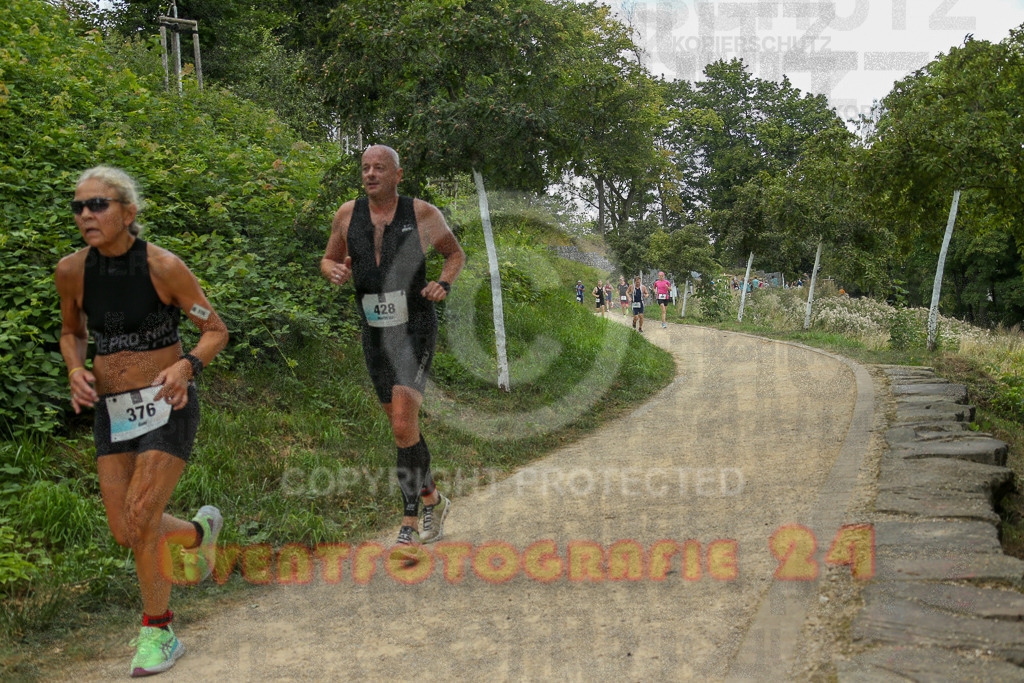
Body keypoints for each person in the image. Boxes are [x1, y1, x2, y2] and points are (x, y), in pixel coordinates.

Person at [55, 166, 229, 676]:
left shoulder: (164, 267)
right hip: (113, 412)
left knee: (141, 514)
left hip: (167, 402)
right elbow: (71, 332)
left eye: (98, 204)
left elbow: (214, 329)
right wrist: (74, 367)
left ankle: (159, 630)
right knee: (126, 530)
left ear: (128, 213)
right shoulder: (71, 271)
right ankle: (199, 534)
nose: (86, 213)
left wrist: (187, 364)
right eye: (79, 206)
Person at [321, 145, 465, 550]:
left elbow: (454, 253)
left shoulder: (422, 214)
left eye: (379, 168)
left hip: (415, 326)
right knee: (404, 429)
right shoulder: (347, 215)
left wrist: (444, 282)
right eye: (365, 168)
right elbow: (329, 258)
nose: (370, 174)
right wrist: (331, 268)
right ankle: (433, 499)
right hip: (374, 329)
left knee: (403, 423)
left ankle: (408, 520)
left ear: (397, 175)